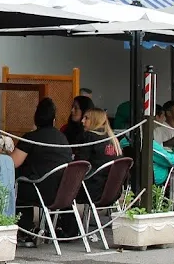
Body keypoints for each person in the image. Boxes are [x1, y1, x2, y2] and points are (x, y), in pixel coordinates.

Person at [8, 98, 73, 243]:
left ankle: (27, 230)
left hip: (40, 190)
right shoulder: (63, 138)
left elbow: (13, 163)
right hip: (64, 191)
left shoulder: (32, 138)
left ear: (36, 118)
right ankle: (42, 228)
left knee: (17, 184)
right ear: (54, 120)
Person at [75, 109, 121, 203]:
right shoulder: (112, 139)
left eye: (86, 118)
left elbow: (79, 164)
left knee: (64, 186)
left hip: (93, 190)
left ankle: (66, 217)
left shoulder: (90, 136)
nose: (82, 121)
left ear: (95, 120)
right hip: (113, 191)